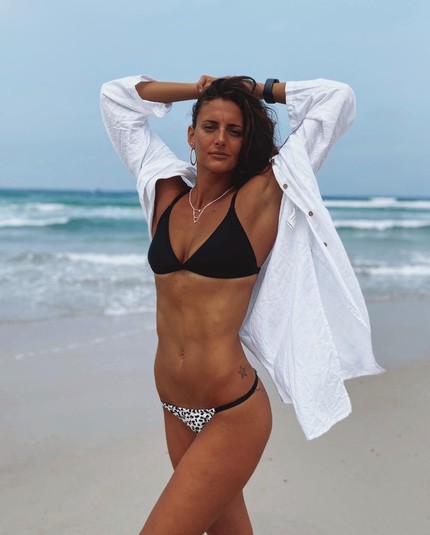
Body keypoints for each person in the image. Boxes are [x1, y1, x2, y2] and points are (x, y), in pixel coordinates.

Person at [100, 72, 383, 535]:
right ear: (190, 134)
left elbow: (337, 98)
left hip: (231, 411)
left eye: (235, 131)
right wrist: (201, 90)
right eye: (209, 126)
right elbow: (116, 98)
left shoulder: (260, 196)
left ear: (246, 141)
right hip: (175, 408)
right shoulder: (164, 189)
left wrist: (255, 89)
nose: (220, 139)